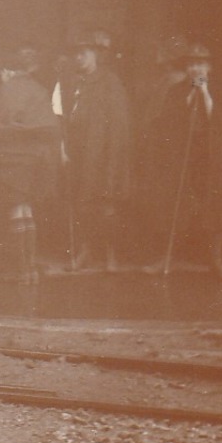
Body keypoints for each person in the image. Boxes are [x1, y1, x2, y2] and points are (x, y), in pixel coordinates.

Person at [0, 49, 63, 285]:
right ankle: (31, 270)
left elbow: (1, 124)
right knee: (27, 210)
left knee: (17, 210)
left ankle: (22, 271)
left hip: (13, 159)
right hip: (37, 160)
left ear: (10, 70)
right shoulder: (39, 89)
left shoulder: (8, 90)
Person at [145, 42, 222, 281]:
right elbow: (168, 121)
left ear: (209, 67)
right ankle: (167, 258)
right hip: (181, 157)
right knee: (176, 205)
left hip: (209, 158)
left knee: (212, 209)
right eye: (192, 65)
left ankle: (216, 261)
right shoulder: (176, 91)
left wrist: (203, 92)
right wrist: (190, 94)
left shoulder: (220, 91)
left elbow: (220, 121)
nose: (196, 69)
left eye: (201, 64)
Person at [61, 36, 134, 272]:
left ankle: (111, 254)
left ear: (95, 54)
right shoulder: (74, 82)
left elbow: (119, 124)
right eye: (76, 54)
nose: (79, 58)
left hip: (104, 153)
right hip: (80, 153)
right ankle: (86, 250)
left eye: (84, 53)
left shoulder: (110, 82)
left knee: (106, 205)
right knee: (82, 204)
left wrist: (112, 155)